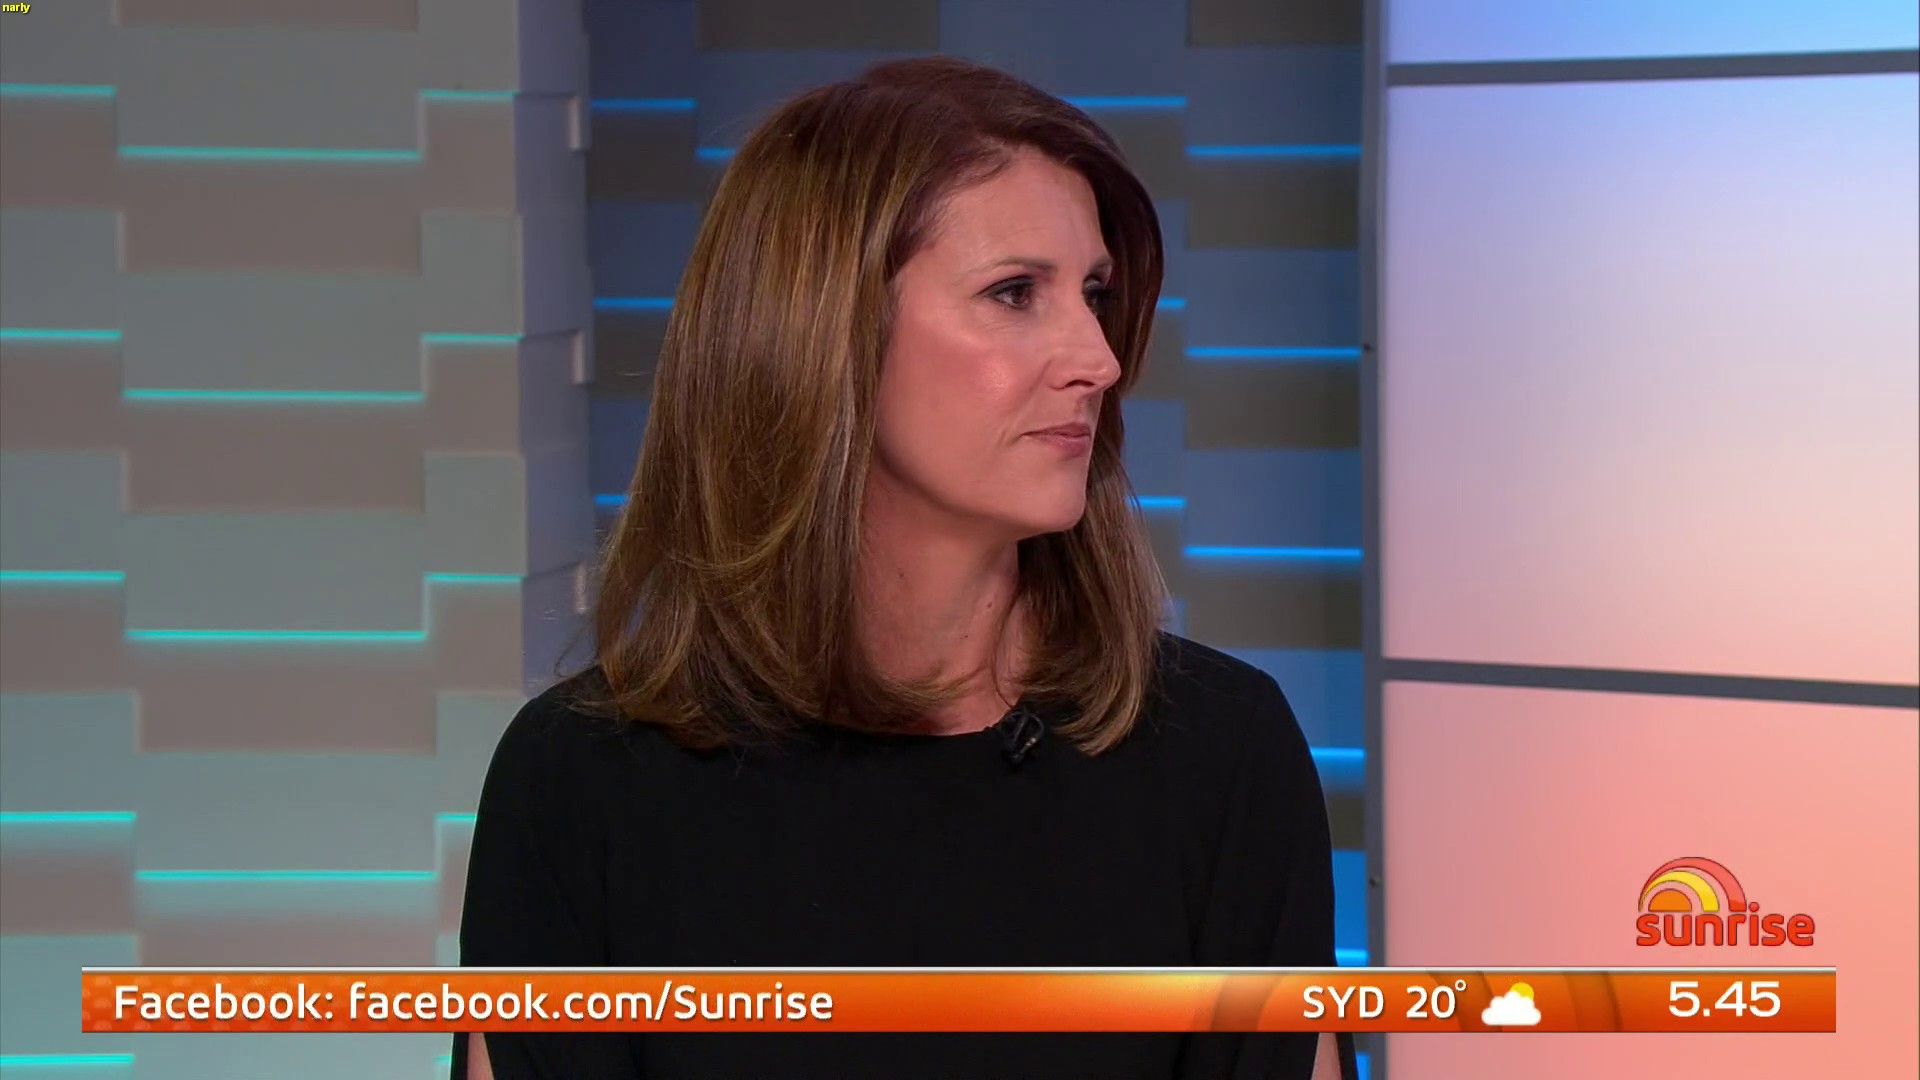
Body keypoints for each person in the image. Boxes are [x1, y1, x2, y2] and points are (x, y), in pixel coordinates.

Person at [452, 54, 1356, 1080]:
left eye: (1094, 293)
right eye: (1015, 293)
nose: (1098, 360)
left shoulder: (1221, 757)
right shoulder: (580, 784)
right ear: (821, 334)